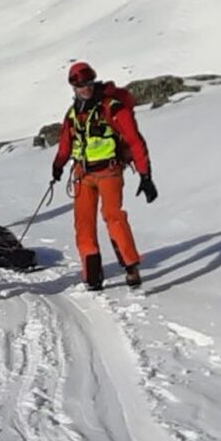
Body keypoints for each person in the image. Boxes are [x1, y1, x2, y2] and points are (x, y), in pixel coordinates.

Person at [51, 61, 158, 290]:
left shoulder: (113, 107)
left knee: (113, 217)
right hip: (82, 174)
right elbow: (65, 144)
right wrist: (58, 166)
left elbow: (134, 141)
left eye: (87, 83)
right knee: (84, 224)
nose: (84, 88)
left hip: (109, 171)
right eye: (79, 85)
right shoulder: (73, 114)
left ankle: (131, 267)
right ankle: (92, 276)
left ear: (93, 82)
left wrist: (145, 175)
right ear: (73, 87)